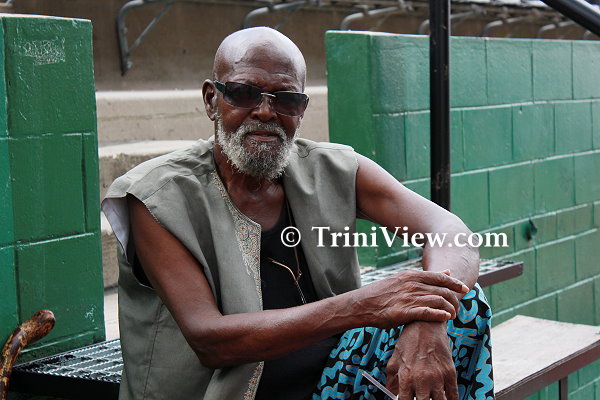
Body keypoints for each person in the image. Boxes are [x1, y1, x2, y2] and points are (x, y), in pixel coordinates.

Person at [102, 27, 493, 400]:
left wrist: (427, 317)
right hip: (226, 392)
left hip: (332, 381)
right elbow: (210, 340)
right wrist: (366, 304)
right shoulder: (157, 196)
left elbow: (451, 232)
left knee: (464, 304)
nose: (265, 112)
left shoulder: (331, 168)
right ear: (211, 100)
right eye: (244, 93)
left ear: (302, 108)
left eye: (285, 98)